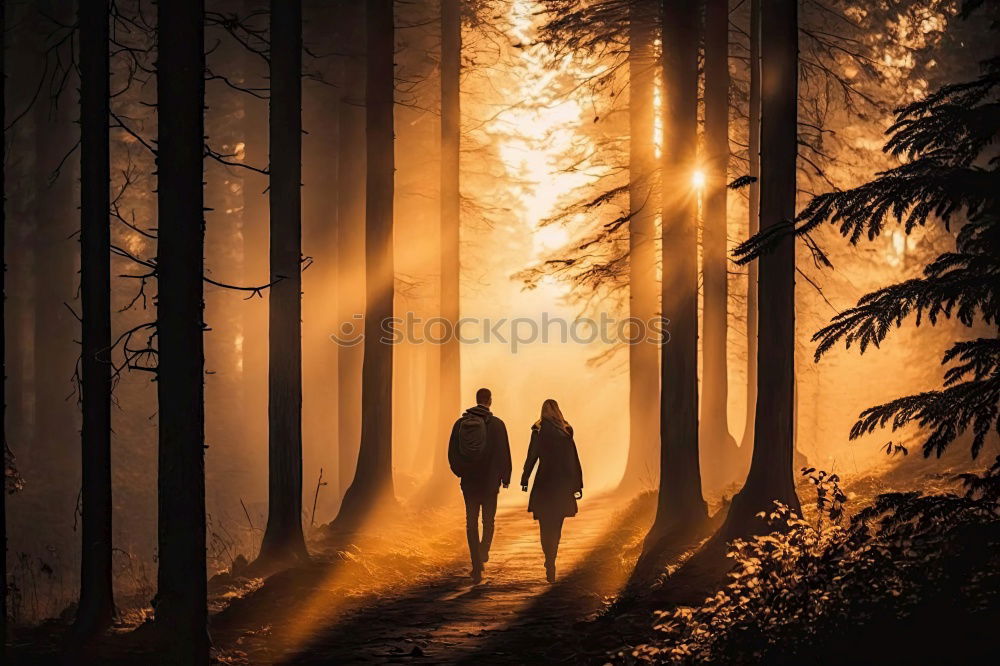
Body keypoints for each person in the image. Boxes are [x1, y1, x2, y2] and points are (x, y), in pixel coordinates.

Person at [448, 387, 512, 583]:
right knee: (488, 521)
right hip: (490, 481)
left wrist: (461, 472)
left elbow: (452, 452)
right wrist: (505, 476)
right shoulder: (498, 425)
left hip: (469, 482)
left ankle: (476, 564)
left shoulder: (460, 424)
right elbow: (504, 452)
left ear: (476, 399)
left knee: (471, 522)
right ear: (490, 400)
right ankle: (483, 551)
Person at [520, 399, 583, 583]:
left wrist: (525, 479)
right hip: (562, 485)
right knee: (557, 524)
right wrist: (577, 485)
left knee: (544, 525)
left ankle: (548, 559)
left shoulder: (538, 431)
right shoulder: (566, 431)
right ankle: (552, 558)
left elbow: (532, 456)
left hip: (543, 483)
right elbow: (573, 459)